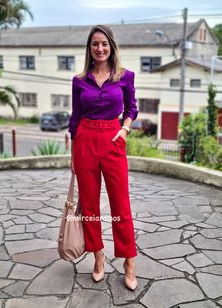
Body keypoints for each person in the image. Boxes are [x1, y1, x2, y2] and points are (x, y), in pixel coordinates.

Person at [69, 24, 138, 291]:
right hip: (85, 139)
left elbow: (132, 107)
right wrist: (73, 154)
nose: (100, 48)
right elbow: (75, 118)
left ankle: (129, 261)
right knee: (89, 207)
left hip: (113, 139)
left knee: (121, 204)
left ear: (111, 47)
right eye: (95, 44)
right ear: (90, 48)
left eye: (104, 44)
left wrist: (125, 128)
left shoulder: (125, 76)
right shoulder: (79, 81)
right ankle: (98, 256)